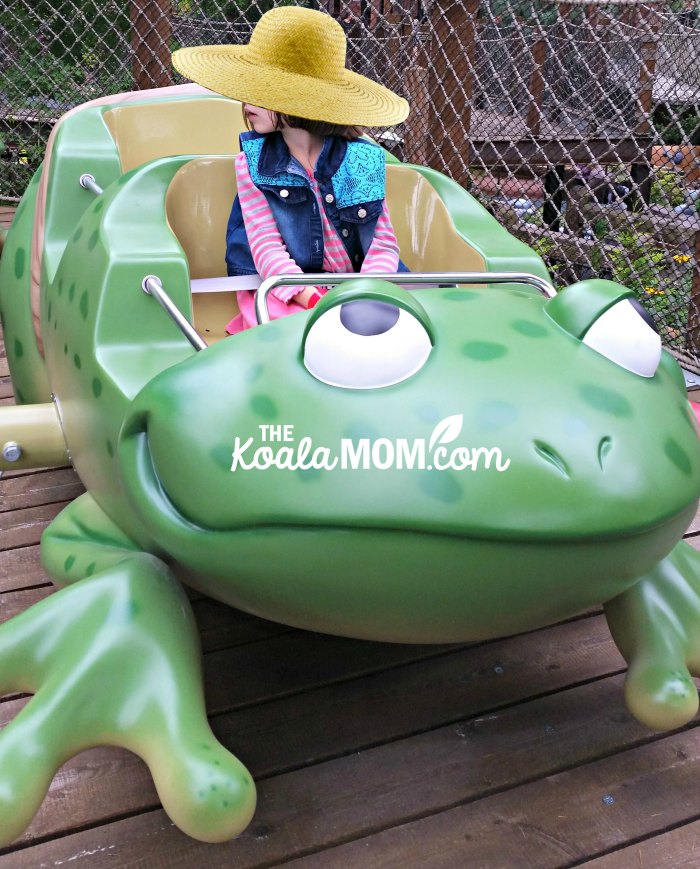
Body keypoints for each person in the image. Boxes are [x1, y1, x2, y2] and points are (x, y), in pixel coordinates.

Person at [172, 6, 409, 333]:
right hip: (284, 287)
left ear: (300, 100)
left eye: (262, 90)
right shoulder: (252, 163)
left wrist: (363, 295)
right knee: (292, 332)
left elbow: (382, 245)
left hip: (359, 285)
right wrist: (312, 299)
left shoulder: (362, 160)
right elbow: (266, 247)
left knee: (399, 324)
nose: (246, 102)